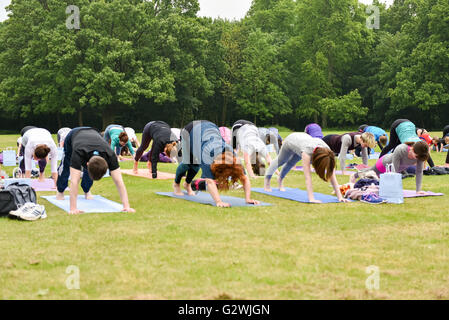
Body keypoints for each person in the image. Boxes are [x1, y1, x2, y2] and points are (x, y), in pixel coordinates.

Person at [173, 120, 260, 207]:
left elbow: (244, 178)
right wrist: (218, 201)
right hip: (189, 131)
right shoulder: (206, 156)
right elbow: (210, 182)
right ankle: (176, 184)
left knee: (196, 165)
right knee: (189, 163)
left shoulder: (233, 156)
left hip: (210, 127)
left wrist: (248, 199)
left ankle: (187, 184)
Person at [55, 127, 135, 214]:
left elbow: (119, 181)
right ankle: (60, 190)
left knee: (93, 170)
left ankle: (86, 190)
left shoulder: (110, 155)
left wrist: (126, 206)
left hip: (94, 133)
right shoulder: (78, 152)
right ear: (87, 164)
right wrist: (73, 208)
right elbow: (74, 181)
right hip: (74, 135)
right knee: (66, 164)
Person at [264, 132, 348, 203]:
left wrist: (340, 197)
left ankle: (280, 180)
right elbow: (308, 178)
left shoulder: (328, 154)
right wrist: (311, 199)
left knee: (292, 162)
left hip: (303, 141)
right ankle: (267, 181)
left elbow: (332, 176)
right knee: (281, 160)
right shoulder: (307, 153)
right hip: (291, 141)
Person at [350, 141, 429, 194]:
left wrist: (418, 190)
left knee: (373, 178)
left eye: (418, 157)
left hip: (394, 169)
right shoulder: (401, 149)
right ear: (412, 149)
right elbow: (394, 170)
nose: (416, 158)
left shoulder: (420, 156)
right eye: (415, 156)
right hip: (384, 163)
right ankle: (354, 175)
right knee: (371, 172)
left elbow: (419, 172)